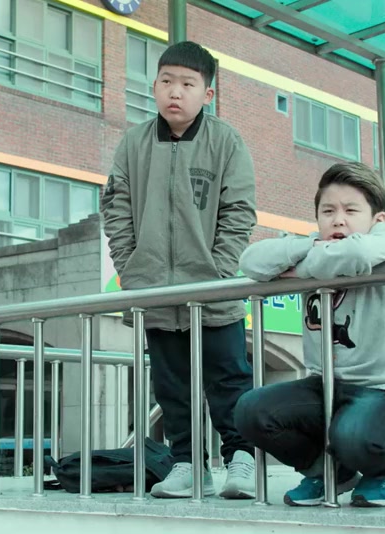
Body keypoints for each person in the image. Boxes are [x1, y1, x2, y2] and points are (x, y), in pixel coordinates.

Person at [100, 41, 257, 499]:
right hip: (155, 292)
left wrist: (219, 273)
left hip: (215, 291)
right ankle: (188, 464)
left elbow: (239, 211)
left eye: (188, 84)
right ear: (154, 86)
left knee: (228, 378)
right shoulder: (134, 144)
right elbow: (116, 209)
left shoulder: (225, 141)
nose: (175, 91)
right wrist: (132, 269)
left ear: (207, 94)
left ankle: (241, 459)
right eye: (167, 81)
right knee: (171, 386)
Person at [234, 161, 385, 507]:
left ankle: (383, 470)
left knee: (351, 434)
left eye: (351, 211)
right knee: (250, 410)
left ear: (377, 219)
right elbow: (251, 261)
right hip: (325, 385)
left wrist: (301, 269)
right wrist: (312, 246)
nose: (338, 220)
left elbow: (356, 252)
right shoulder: (314, 244)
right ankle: (328, 472)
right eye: (328, 211)